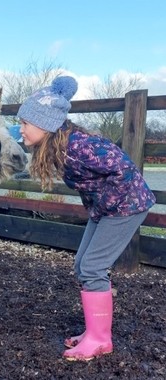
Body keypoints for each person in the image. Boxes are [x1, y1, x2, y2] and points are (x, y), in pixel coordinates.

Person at [16, 76, 156, 361]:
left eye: (24, 124)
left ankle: (101, 340)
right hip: (108, 208)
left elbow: (124, 168)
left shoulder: (79, 146)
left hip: (126, 206)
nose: (21, 130)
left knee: (92, 267)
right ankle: (94, 331)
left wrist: (104, 204)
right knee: (83, 264)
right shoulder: (58, 145)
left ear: (44, 124)